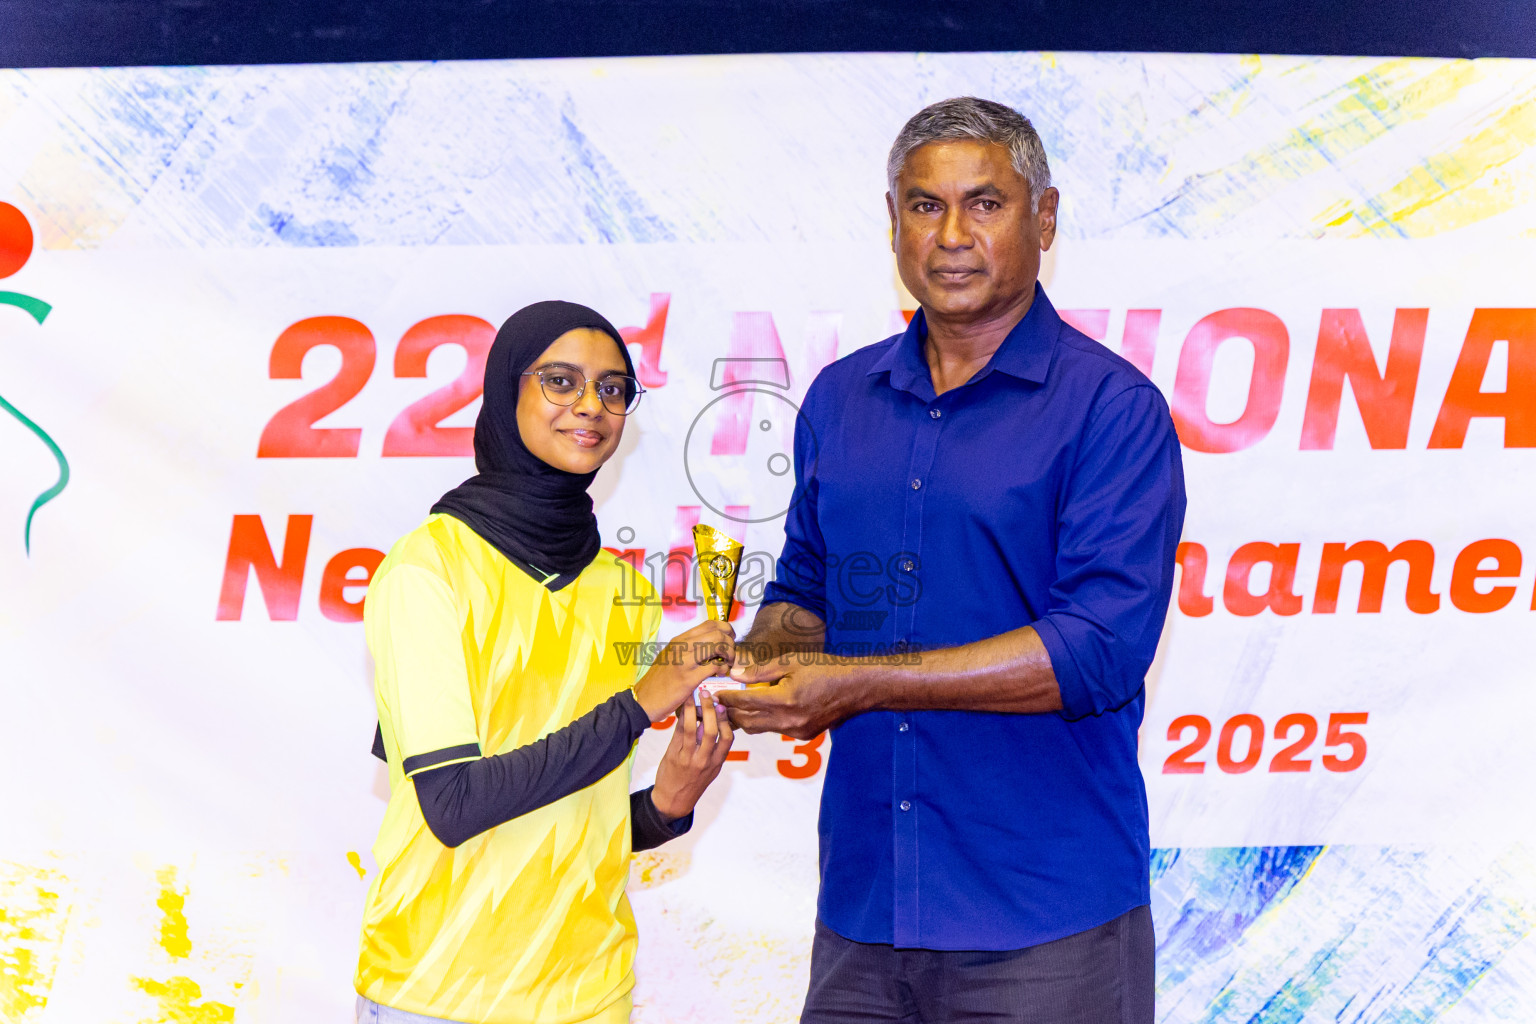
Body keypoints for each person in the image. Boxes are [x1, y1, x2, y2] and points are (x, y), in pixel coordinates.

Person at [719, 98, 1186, 1023]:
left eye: (986, 203)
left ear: (1044, 218)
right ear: (892, 222)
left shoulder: (1112, 410)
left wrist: (857, 685)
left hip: (1044, 924)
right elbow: (807, 581)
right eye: (924, 206)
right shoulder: (842, 395)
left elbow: (1096, 650)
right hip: (864, 913)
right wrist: (772, 654)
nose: (953, 236)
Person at [354, 301, 736, 1024]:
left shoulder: (625, 591)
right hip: (438, 994)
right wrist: (636, 707)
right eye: (561, 381)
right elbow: (457, 806)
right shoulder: (430, 566)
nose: (591, 406)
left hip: (590, 995)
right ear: (507, 391)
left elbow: (575, 824)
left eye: (614, 388)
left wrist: (667, 805)